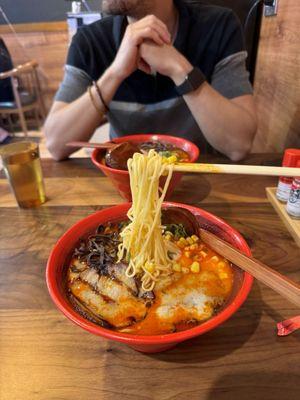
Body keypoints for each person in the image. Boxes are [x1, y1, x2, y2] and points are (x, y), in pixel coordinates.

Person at [44, 0, 257, 161]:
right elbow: (56, 144)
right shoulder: (89, 41)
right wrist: (115, 73)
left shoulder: (218, 26)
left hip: (196, 176)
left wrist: (179, 68)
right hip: (125, 179)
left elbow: (238, 144)